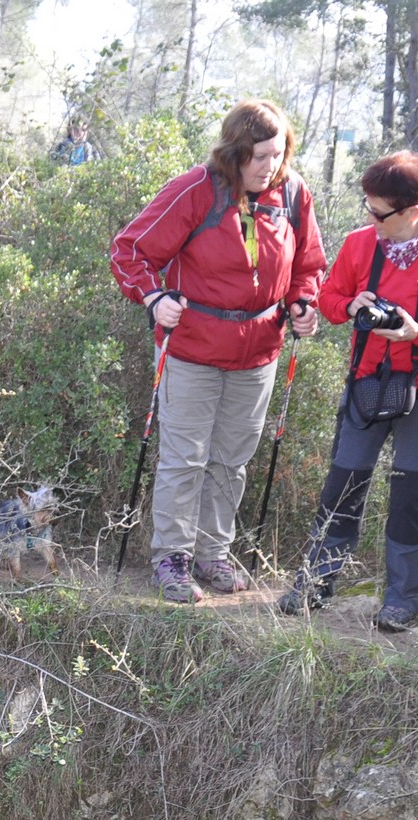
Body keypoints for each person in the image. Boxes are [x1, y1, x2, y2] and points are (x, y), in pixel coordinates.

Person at [110, 99, 324, 603]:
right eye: (258, 156)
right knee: (185, 458)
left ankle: (213, 554)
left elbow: (308, 264)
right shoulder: (196, 189)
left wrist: (303, 303)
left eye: (278, 153)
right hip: (192, 348)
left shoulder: (293, 194)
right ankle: (172, 559)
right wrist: (154, 297)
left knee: (232, 460)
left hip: (259, 353)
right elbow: (130, 251)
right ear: (234, 152)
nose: (269, 165)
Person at [280, 152, 418, 631]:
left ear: (415, 209)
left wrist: (417, 334)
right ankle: (315, 583)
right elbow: (328, 299)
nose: (370, 220)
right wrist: (352, 306)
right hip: (367, 384)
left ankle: (403, 599)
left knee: (414, 494)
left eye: (379, 212)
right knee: (344, 482)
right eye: (367, 208)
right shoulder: (359, 245)